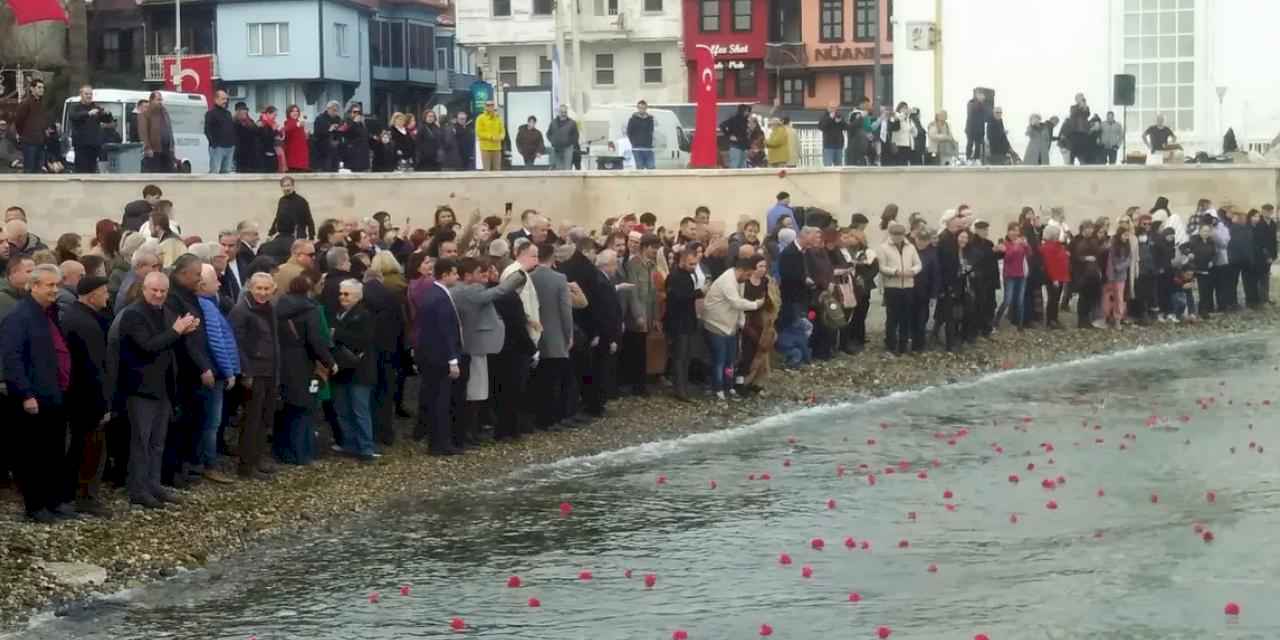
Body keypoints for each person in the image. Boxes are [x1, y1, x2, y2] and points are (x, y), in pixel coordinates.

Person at [115, 271, 198, 508]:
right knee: (141, 441)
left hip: (163, 386)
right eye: (155, 290)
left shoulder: (164, 311)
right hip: (140, 387)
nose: (159, 295)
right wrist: (176, 331)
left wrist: (184, 331)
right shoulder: (133, 314)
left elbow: (168, 343)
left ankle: (153, 484)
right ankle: (138, 489)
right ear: (144, 289)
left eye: (163, 291)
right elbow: (148, 346)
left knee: (158, 441)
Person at [1, 265, 72, 522]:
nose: (55, 289)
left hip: (53, 393)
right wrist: (25, 393)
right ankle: (35, 506)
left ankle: (53, 501)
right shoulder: (19, 316)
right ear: (34, 286)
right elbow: (12, 359)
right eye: (49, 285)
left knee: (53, 451)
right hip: (33, 397)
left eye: (57, 284)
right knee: (33, 455)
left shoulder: (48, 313)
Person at [59, 275, 114, 515]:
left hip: (75, 396)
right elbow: (95, 368)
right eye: (105, 292)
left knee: (79, 447)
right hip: (87, 399)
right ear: (92, 295)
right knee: (89, 449)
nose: (108, 296)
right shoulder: (86, 324)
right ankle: (85, 496)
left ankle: (73, 493)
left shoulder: (74, 315)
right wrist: (103, 405)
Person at [275, 273, 334, 465]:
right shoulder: (311, 310)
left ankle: (283, 452)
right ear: (309, 290)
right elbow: (316, 342)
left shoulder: (276, 307)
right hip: (303, 365)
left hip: (280, 364)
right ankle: (302, 454)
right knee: (305, 410)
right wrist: (329, 362)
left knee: (286, 410)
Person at [192, 264, 238, 484]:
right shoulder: (207, 307)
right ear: (202, 284)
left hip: (215, 370)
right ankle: (207, 464)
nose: (220, 283)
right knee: (211, 422)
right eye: (215, 280)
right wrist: (229, 370)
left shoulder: (208, 304)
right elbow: (216, 341)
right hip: (216, 372)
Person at [414, 258, 464, 455]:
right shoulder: (439, 297)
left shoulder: (432, 294)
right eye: (454, 273)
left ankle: (437, 443)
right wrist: (453, 360)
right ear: (445, 275)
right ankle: (440, 444)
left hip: (430, 355)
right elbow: (446, 331)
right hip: (439, 357)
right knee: (440, 401)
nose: (457, 276)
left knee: (435, 399)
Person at [704, 257, 765, 400]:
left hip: (730, 325)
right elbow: (736, 302)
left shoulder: (740, 281)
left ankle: (729, 386)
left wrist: (741, 323)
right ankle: (718, 388)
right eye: (748, 275)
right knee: (719, 359)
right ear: (741, 270)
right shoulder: (727, 280)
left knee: (730, 360)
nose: (749, 278)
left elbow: (739, 306)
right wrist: (756, 304)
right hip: (716, 324)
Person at [331, 279, 377, 460]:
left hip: (359, 371)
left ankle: (365, 447)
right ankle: (349, 444)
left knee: (360, 411)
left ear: (358, 296)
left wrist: (337, 334)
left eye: (346, 294)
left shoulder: (365, 315)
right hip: (342, 369)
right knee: (343, 410)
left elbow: (363, 340)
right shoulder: (338, 314)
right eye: (341, 293)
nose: (342, 297)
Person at [664, 248, 701, 402]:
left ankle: (682, 386)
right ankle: (680, 390)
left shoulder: (686, 274)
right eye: (691, 264)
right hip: (678, 323)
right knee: (680, 357)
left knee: (686, 356)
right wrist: (699, 293)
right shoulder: (675, 276)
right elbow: (678, 298)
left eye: (695, 264)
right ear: (682, 261)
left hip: (687, 320)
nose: (694, 267)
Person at [878, 223, 921, 356]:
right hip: (892, 287)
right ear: (891, 235)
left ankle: (903, 345)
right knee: (892, 318)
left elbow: (918, 264)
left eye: (900, 235)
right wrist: (895, 272)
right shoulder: (883, 248)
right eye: (895, 235)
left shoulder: (911, 247)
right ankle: (891, 344)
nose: (898, 238)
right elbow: (882, 267)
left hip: (908, 286)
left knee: (905, 317)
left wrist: (912, 271)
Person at [994, 222, 1029, 329]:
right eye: (1012, 230)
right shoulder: (1005, 244)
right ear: (1008, 231)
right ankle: (996, 320)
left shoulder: (1020, 242)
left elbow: (1029, 253)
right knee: (1007, 300)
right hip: (1009, 275)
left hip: (1021, 274)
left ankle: (1020, 325)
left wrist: (1026, 245)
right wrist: (1015, 246)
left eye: (1017, 230)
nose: (1015, 233)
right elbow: (1007, 258)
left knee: (1020, 300)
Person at [14, 78, 48, 174]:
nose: (42, 89)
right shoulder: (26, 103)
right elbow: (18, 121)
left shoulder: (41, 104)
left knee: (38, 171)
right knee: (29, 171)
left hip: (40, 142)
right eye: (39, 87)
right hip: (29, 143)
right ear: (32, 89)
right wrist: (24, 134)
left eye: (43, 87)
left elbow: (42, 121)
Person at [68, 85, 104, 174]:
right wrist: (88, 113)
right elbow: (73, 116)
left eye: (90, 94)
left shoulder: (96, 107)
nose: (89, 96)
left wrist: (106, 115)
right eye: (86, 94)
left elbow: (105, 119)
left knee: (92, 170)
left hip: (94, 145)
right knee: (82, 171)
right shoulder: (75, 107)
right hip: (81, 146)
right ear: (81, 95)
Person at [138, 91, 175, 173]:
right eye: (158, 100)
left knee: (170, 174)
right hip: (154, 151)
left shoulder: (164, 112)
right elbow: (143, 132)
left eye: (161, 100)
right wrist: (147, 148)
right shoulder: (145, 114)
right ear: (151, 100)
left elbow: (169, 130)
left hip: (167, 149)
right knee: (155, 173)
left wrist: (172, 145)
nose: (160, 102)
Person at [1103, 225, 1133, 328]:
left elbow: (1129, 260)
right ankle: (1107, 316)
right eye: (1125, 235)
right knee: (1109, 297)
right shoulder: (1114, 247)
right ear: (1120, 235)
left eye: (1127, 235)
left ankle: (1117, 319)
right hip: (1112, 277)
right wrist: (1110, 276)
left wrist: (1120, 267)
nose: (1126, 237)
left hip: (1121, 277)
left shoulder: (1128, 246)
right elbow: (1110, 263)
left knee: (1119, 298)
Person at [271, 176, 316, 240]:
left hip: (299, 237)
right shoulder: (281, 201)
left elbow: (309, 220)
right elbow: (277, 218)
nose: (286, 188)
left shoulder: (301, 201)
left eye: (288, 185)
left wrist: (312, 237)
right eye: (284, 186)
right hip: (284, 236)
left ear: (293, 186)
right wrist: (270, 234)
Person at [204, 90, 236, 173]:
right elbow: (207, 130)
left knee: (226, 172)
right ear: (216, 99)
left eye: (226, 99)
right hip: (217, 148)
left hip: (230, 147)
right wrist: (214, 144)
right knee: (215, 171)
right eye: (223, 99)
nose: (225, 101)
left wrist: (233, 143)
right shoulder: (210, 113)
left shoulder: (228, 113)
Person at [719, 104, 753, 169]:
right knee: (735, 164)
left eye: (749, 111)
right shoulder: (734, 119)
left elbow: (745, 134)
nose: (748, 113)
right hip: (736, 146)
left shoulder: (746, 121)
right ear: (742, 111)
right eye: (747, 111)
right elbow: (722, 125)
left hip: (744, 146)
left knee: (742, 165)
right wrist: (729, 135)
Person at [313, 101, 344, 172]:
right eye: (334, 110)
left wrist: (340, 130)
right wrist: (329, 129)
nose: (335, 113)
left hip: (336, 151)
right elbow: (317, 134)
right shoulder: (320, 119)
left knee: (335, 171)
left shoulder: (338, 119)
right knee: (326, 171)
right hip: (324, 152)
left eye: (337, 111)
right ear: (328, 109)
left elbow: (340, 134)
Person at [547, 105, 579, 170]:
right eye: (562, 112)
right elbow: (548, 133)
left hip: (568, 149)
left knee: (567, 169)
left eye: (565, 112)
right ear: (559, 112)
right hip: (557, 149)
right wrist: (553, 141)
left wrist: (570, 143)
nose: (563, 114)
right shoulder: (553, 122)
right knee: (558, 169)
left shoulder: (572, 123)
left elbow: (576, 135)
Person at [476, 100, 505, 171]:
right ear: (485, 107)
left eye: (492, 105)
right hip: (486, 148)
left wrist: (501, 136)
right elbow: (479, 132)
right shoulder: (480, 118)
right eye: (488, 105)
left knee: (497, 170)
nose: (490, 107)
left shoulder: (498, 118)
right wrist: (490, 137)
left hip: (497, 148)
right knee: (487, 170)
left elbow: (503, 131)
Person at [627, 100, 656, 170]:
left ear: (646, 108)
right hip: (637, 147)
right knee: (640, 167)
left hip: (648, 147)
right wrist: (634, 142)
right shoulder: (632, 119)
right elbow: (629, 132)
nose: (641, 110)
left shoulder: (650, 119)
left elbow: (651, 131)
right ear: (637, 108)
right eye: (640, 108)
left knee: (651, 167)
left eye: (643, 108)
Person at [233, 102, 262, 173]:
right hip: (241, 153)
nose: (245, 111)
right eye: (242, 110)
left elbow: (257, 133)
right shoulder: (234, 122)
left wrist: (258, 127)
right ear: (237, 111)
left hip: (252, 153)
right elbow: (239, 134)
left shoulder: (250, 121)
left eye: (245, 110)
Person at [341, 105, 371, 172]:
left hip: (363, 154)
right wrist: (354, 122)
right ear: (350, 113)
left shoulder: (362, 124)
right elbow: (345, 133)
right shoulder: (346, 122)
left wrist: (363, 124)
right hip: (353, 154)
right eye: (355, 112)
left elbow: (365, 136)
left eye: (359, 112)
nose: (357, 114)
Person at [282, 105, 310, 172]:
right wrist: (297, 125)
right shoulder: (288, 122)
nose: (295, 113)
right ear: (289, 113)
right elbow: (285, 129)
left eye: (297, 111)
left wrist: (306, 135)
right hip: (293, 159)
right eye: (293, 111)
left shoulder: (300, 123)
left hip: (302, 157)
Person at [964, 89, 989, 163]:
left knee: (978, 145)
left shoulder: (984, 104)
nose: (982, 96)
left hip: (980, 129)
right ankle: (968, 158)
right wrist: (979, 102)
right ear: (976, 95)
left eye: (983, 95)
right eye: (980, 95)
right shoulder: (971, 103)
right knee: (970, 143)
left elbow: (986, 114)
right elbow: (973, 110)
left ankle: (976, 159)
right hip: (971, 129)